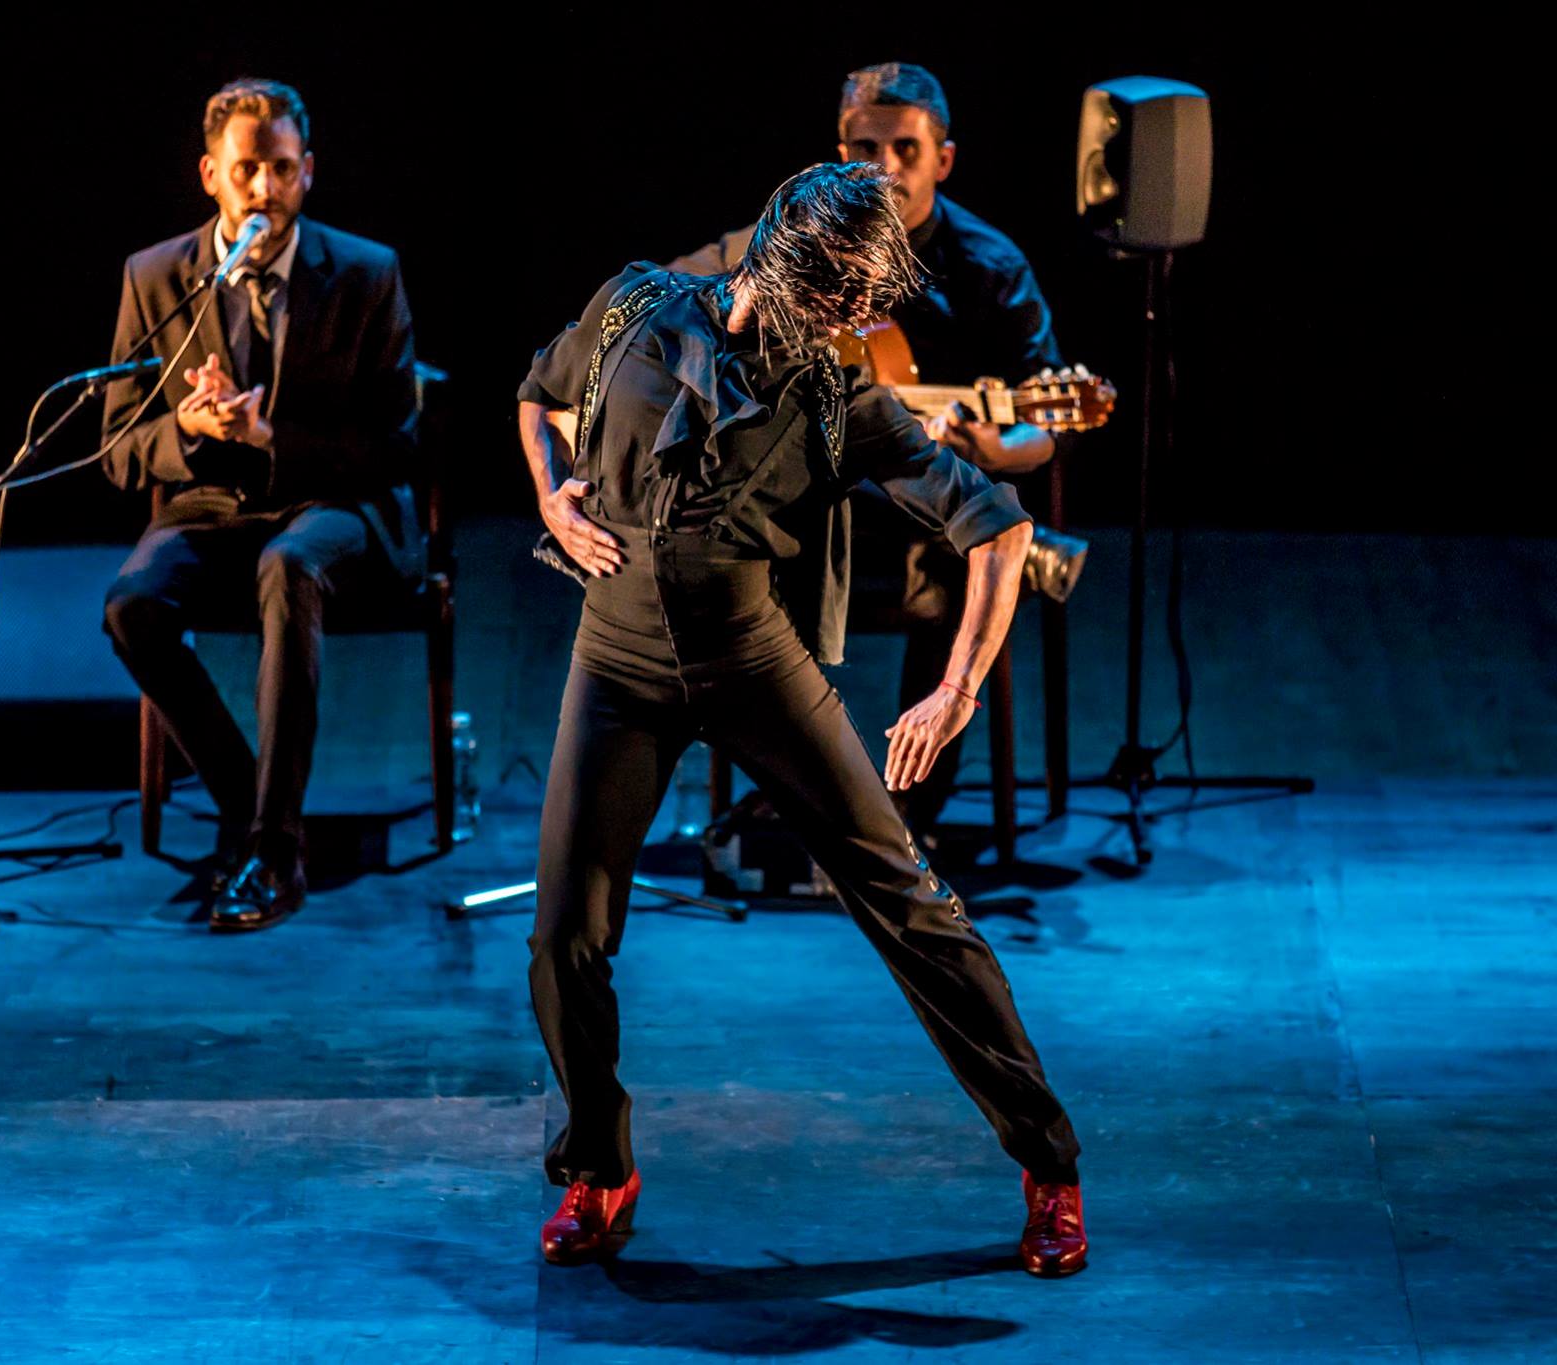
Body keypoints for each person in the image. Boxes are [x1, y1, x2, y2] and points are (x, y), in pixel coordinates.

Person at [519, 163, 1086, 1275]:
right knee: (563, 939)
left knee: (910, 909)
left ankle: (1049, 1161)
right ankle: (598, 1165)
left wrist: (955, 687)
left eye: (854, 301)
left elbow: (997, 526)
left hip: (752, 664)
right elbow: (537, 393)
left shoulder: (839, 403)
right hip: (616, 663)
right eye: (827, 290)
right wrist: (551, 492)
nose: (841, 317)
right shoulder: (635, 303)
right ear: (774, 252)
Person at [672, 62, 1070, 839]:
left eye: (906, 150)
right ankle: (785, 796)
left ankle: (901, 809)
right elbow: (678, 301)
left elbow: (1043, 427)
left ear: (943, 159)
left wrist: (989, 440)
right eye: (863, 147)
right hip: (803, 496)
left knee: (964, 554)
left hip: (919, 514)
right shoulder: (788, 240)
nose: (883, 168)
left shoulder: (991, 268)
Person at [100, 78, 422, 932]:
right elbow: (120, 444)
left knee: (289, 566)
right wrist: (190, 426)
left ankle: (276, 853)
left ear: (307, 172)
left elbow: (399, 444)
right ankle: (253, 803)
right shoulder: (158, 277)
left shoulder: (365, 271)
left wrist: (272, 436)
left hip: (331, 506)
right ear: (211, 175)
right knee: (131, 606)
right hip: (209, 504)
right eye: (248, 171)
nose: (265, 192)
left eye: (282, 170)